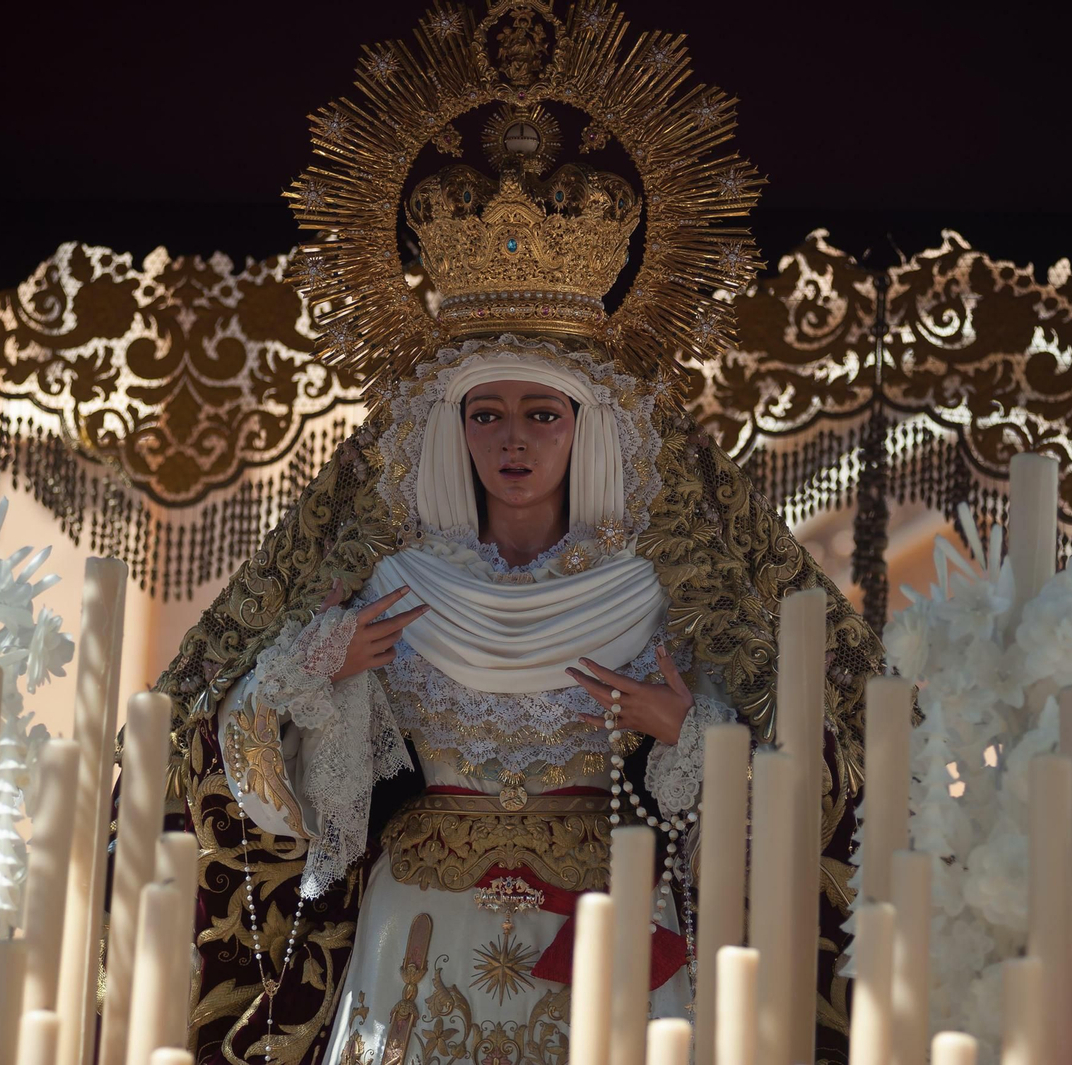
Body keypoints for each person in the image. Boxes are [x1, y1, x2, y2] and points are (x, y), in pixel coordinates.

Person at [155, 6, 885, 1061]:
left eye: (541, 414)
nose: (512, 438)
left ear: (584, 434)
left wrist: (688, 735)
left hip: (602, 909)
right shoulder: (399, 582)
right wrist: (312, 668)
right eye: (484, 412)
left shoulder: (647, 589)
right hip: (423, 916)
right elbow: (290, 809)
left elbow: (780, 799)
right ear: (451, 431)